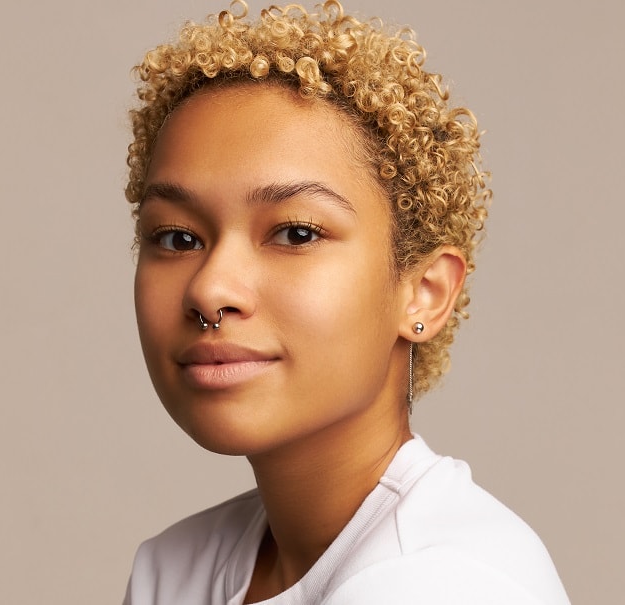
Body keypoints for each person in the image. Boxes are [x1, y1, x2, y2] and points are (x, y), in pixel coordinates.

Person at [122, 1, 570, 603]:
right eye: (178, 238)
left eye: (296, 233)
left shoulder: (445, 582)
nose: (209, 289)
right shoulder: (176, 571)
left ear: (425, 292)